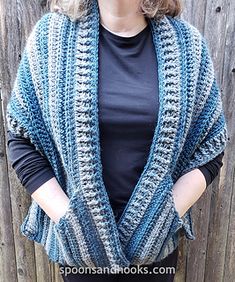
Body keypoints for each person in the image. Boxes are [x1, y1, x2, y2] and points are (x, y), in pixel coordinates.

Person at [6, 0, 228, 281]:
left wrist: (161, 217)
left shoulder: (188, 48)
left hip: (155, 254)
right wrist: (70, 222)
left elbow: (210, 145)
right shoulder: (50, 40)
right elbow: (22, 137)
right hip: (80, 255)